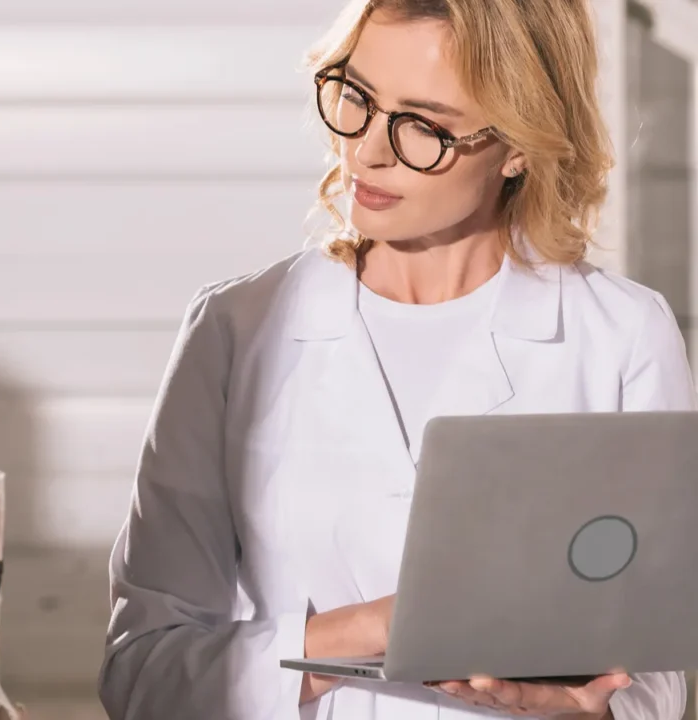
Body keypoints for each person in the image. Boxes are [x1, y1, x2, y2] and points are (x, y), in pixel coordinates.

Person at [97, 0, 696, 718]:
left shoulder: (622, 334)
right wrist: (375, 627)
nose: (367, 151)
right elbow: (142, 673)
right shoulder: (234, 327)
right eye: (356, 97)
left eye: (424, 126)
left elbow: (657, 676)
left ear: (518, 147)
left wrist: (587, 712)